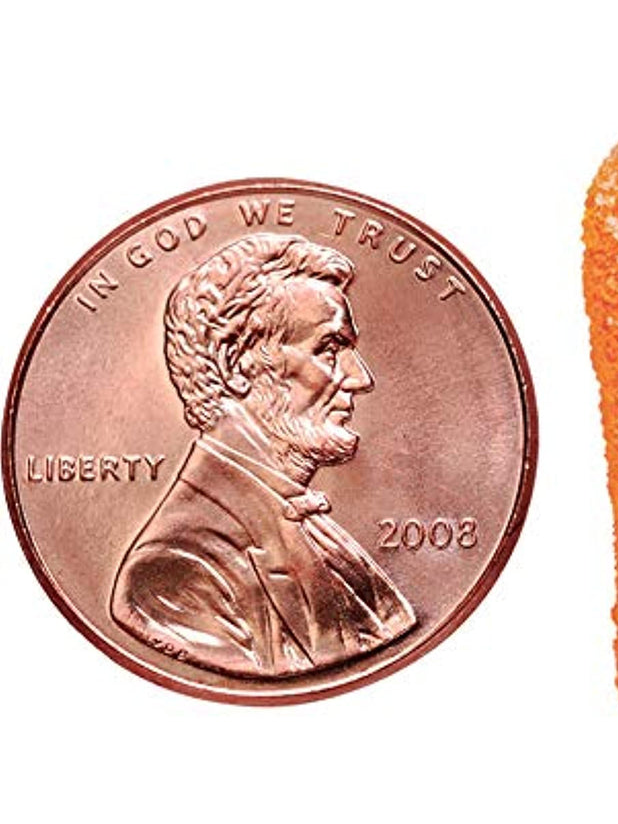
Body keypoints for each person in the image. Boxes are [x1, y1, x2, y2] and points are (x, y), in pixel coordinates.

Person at [110, 233, 416, 676]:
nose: (360, 378)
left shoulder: (316, 528)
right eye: (330, 349)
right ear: (234, 364)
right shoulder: (173, 575)